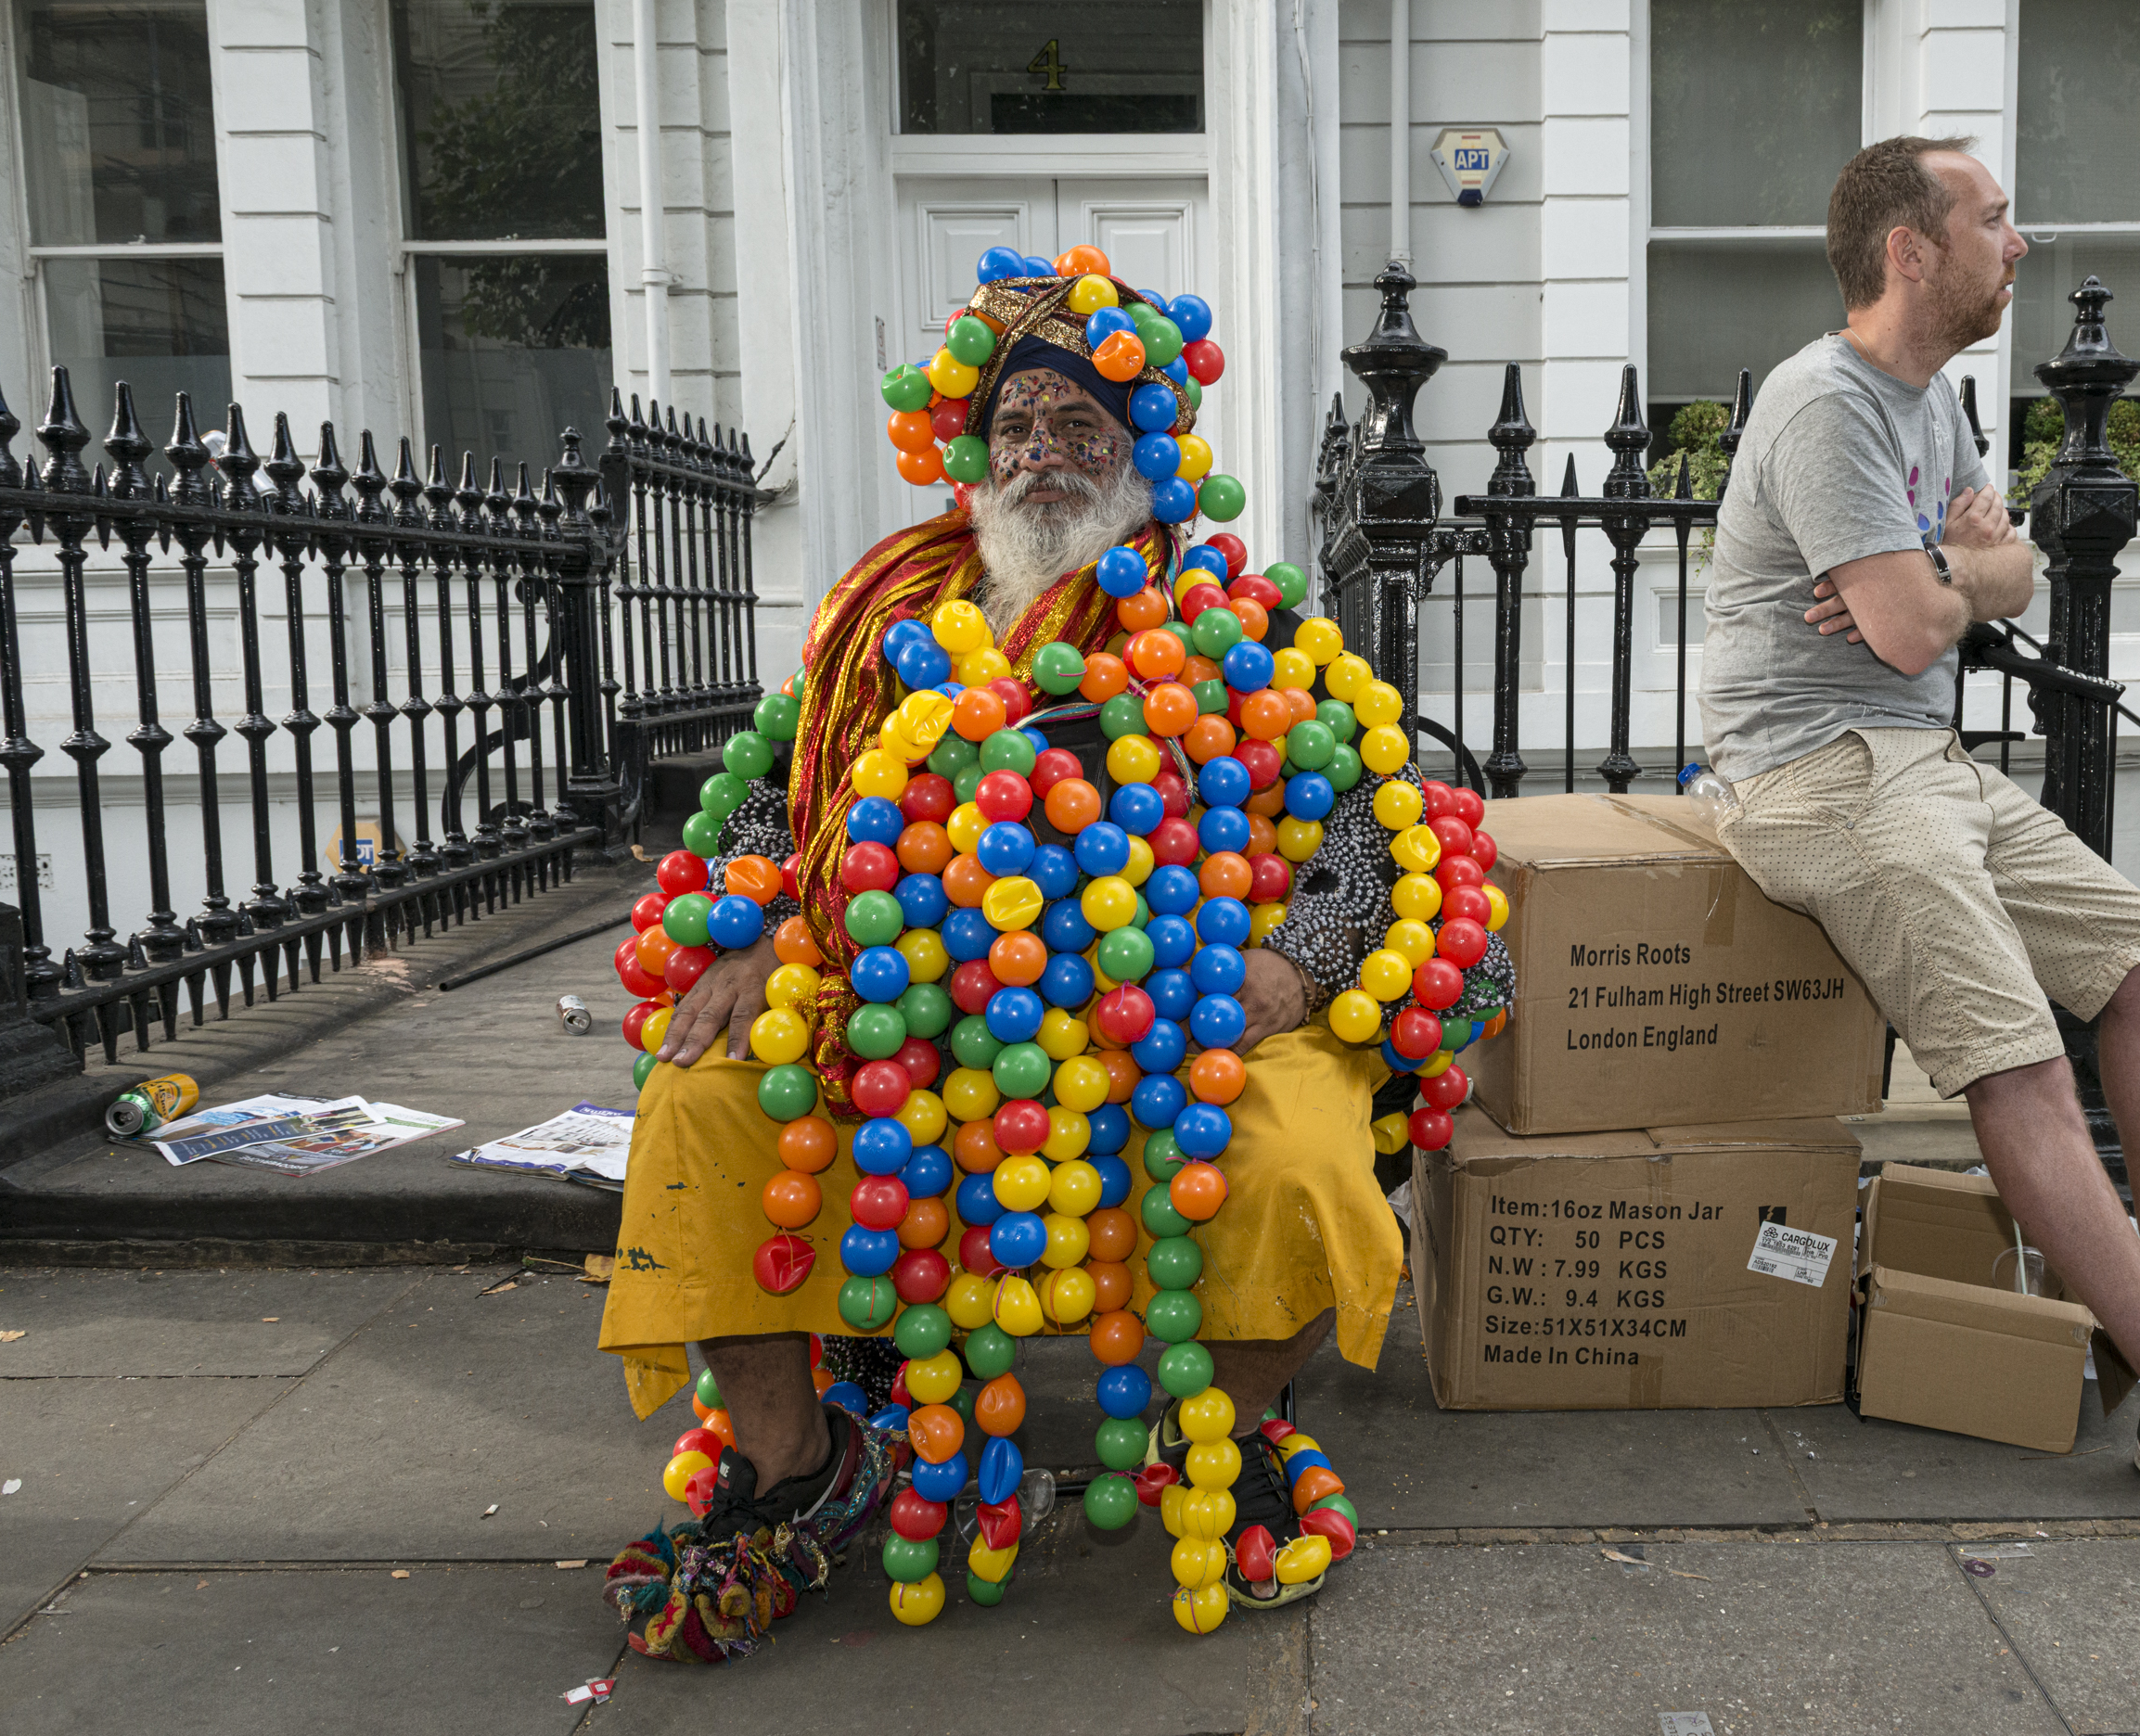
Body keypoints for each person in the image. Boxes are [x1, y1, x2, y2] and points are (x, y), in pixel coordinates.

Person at [600, 266, 1514, 1661]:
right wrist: (748, 918)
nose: (1041, 452)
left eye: (1080, 429)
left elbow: (1382, 831)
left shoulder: (1233, 621)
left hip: (1176, 1024)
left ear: (1141, 454)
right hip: (903, 1025)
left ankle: (1239, 1432)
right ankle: (799, 1464)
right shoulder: (883, 611)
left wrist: (1295, 952)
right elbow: (769, 791)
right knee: (704, 1097)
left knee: (1293, 1154)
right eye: (1016, 422)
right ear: (972, 446)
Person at [1698, 135, 2140, 1554]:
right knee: (2016, 1051)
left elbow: (1998, 578)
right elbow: (1908, 630)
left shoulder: (1933, 405)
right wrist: (1946, 582)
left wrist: (1948, 570)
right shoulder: (1821, 405)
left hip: (1923, 759)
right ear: (1913, 248)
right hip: (1816, 772)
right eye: (1995, 220)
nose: (2019, 244)